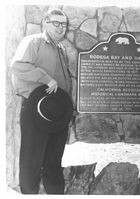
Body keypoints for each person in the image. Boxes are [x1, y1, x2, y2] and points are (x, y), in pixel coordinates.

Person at [11, 8, 72, 194]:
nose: (61, 28)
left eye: (64, 24)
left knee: (54, 161)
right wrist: (45, 78)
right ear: (45, 23)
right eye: (56, 23)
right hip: (35, 110)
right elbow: (18, 66)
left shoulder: (61, 48)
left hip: (57, 113)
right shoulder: (33, 42)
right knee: (32, 161)